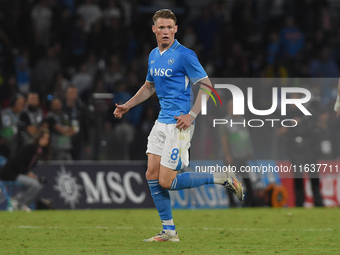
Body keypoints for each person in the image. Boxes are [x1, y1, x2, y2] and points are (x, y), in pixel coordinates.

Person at [114, 9, 244, 242]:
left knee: (167, 181)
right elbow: (149, 86)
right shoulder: (153, 55)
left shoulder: (185, 55)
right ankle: (169, 231)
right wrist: (128, 105)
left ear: (176, 29)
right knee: (151, 174)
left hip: (180, 124)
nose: (165, 31)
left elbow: (207, 86)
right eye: (161, 27)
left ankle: (221, 176)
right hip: (162, 121)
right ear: (154, 29)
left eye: (169, 27)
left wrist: (192, 115)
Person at [0, 128, 50, 211]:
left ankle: (21, 203)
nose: (45, 141)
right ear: (38, 138)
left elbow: (26, 168)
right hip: (10, 173)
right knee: (35, 184)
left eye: (47, 139)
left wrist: (34, 176)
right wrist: (29, 174)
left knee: (39, 184)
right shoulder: (30, 148)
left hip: (19, 173)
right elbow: (19, 164)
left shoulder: (38, 151)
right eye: (43, 138)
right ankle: (18, 200)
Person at [220, 100, 258, 207]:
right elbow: (224, 140)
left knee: (247, 179)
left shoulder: (243, 121)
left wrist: (249, 152)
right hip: (232, 157)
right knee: (231, 181)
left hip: (242, 157)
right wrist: (227, 155)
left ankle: (251, 202)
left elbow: (246, 138)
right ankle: (232, 203)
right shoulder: (226, 122)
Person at [46, 96, 76, 160]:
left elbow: (73, 129)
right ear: (51, 106)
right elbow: (59, 129)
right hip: (56, 149)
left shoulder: (65, 115)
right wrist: (66, 130)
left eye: (58, 104)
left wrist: (66, 130)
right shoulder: (50, 116)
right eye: (55, 104)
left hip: (67, 148)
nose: (57, 106)